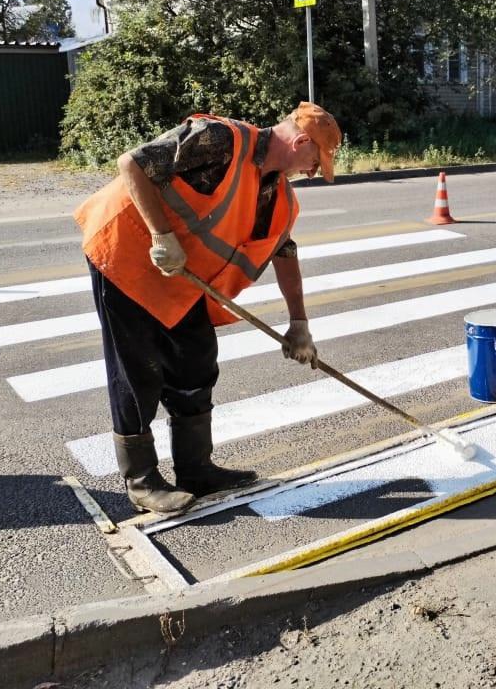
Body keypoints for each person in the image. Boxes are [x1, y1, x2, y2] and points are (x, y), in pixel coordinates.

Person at [75, 102, 342, 514]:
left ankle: (196, 470)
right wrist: (161, 235)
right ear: (301, 141)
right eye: (314, 160)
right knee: (139, 370)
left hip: (182, 279)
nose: (312, 171)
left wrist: (299, 324)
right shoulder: (220, 140)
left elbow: (283, 251)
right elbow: (133, 164)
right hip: (127, 253)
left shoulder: (278, 196)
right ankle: (142, 480)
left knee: (196, 361)